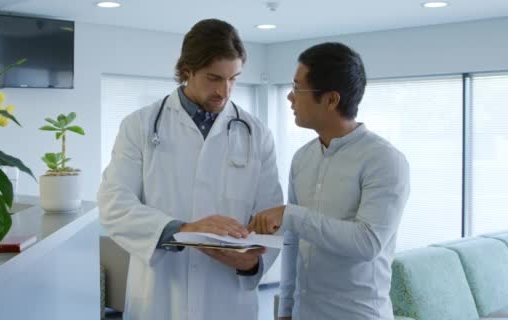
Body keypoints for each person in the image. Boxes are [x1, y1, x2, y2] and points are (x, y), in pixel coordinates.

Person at [98, 19, 283, 320]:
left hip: (227, 299)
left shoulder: (256, 134)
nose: (225, 91)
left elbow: (270, 217)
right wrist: (182, 231)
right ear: (187, 70)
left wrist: (249, 263)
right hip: (160, 298)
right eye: (214, 78)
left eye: (233, 79)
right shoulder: (140, 126)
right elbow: (113, 205)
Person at [248, 42, 410, 320]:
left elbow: (368, 243)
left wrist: (291, 215)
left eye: (298, 88)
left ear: (331, 100)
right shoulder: (302, 158)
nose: (290, 97)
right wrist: (286, 308)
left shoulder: (384, 160)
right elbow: (293, 243)